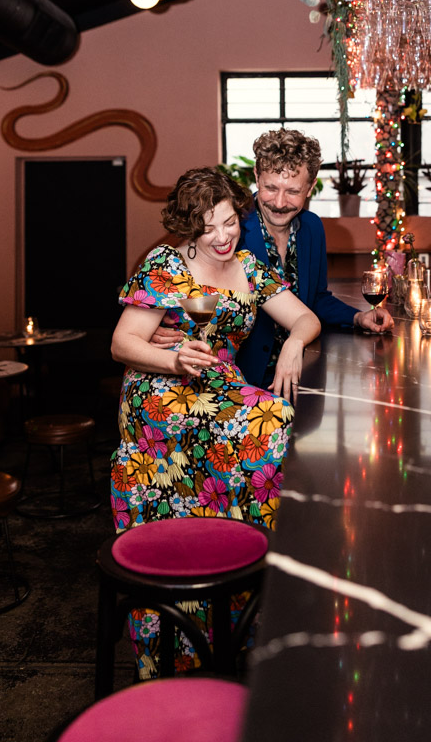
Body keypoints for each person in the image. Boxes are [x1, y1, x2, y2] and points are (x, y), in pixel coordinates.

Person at [110, 166, 320, 676]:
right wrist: (174, 359)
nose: (223, 237)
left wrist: (294, 344)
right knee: (268, 435)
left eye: (229, 222)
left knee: (287, 425)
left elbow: (305, 317)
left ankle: (252, 614)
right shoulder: (165, 265)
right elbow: (122, 344)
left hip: (218, 387)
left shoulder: (250, 265)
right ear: (189, 228)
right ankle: (207, 624)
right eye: (208, 228)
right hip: (161, 396)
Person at [153, 129, 393, 387]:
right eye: (270, 188)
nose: (279, 202)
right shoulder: (228, 228)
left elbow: (317, 298)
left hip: (302, 366)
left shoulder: (312, 228)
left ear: (311, 187)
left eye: (292, 191)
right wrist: (157, 318)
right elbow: (173, 272)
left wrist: (357, 318)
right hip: (239, 376)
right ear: (256, 177)